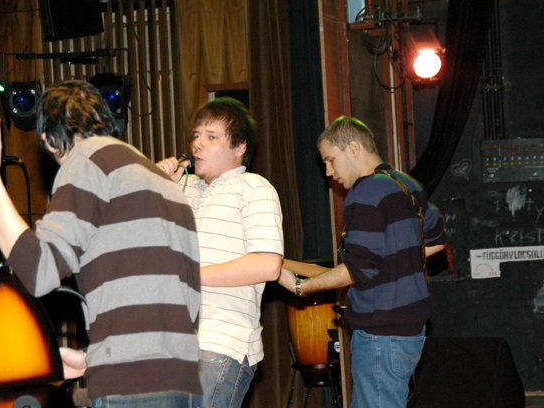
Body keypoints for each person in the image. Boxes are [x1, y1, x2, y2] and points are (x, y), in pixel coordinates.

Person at [0, 80, 202, 407]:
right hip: (183, 384)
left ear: (49, 140)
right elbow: (168, 309)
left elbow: (40, 270)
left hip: (130, 387)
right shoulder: (166, 185)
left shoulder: (86, 161)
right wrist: (92, 360)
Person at [279, 116, 448, 408]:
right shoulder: (406, 184)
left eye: (330, 160)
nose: (328, 172)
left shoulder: (366, 191)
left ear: (354, 148)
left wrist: (300, 287)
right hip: (411, 331)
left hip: (381, 334)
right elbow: (437, 240)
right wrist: (396, 258)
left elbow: (358, 268)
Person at [156, 97, 283, 408]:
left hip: (218, 343)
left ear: (239, 147)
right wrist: (156, 187)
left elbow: (268, 265)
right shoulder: (182, 188)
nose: (197, 144)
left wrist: (192, 275)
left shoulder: (253, 187)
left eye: (212, 136)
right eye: (196, 135)